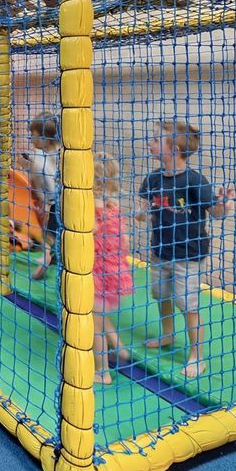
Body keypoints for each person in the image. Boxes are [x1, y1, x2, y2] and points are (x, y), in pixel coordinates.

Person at [137, 118, 235, 379]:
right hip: (160, 252)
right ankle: (168, 334)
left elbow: (214, 212)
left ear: (174, 150)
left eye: (156, 139)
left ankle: (197, 356)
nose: (150, 142)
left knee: (187, 304)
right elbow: (145, 207)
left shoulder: (194, 180)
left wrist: (223, 206)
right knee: (160, 294)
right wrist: (140, 214)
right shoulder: (154, 178)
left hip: (188, 256)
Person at [91, 151, 134, 384]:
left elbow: (90, 233)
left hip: (98, 274)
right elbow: (125, 242)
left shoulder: (93, 209)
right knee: (100, 312)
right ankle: (120, 346)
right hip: (116, 274)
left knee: (94, 325)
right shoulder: (114, 207)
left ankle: (102, 372)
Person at [20, 112, 60, 279]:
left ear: (46, 139)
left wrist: (26, 165)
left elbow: (42, 182)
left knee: (49, 237)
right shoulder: (58, 152)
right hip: (64, 201)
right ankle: (54, 257)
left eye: (33, 136)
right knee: (58, 233)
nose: (31, 139)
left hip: (54, 202)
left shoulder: (38, 157)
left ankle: (45, 259)